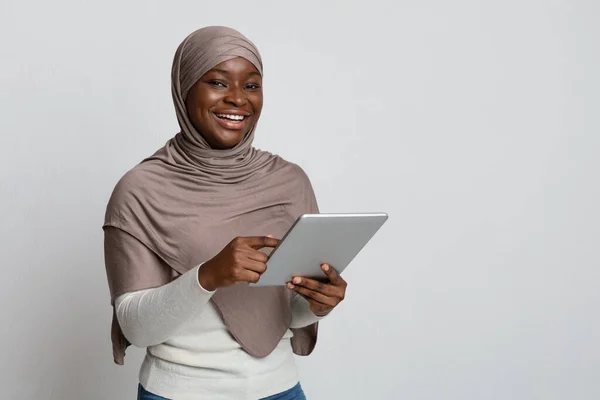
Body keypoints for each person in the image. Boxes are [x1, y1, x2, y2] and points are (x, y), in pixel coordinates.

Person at [103, 26, 348, 400]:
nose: (237, 99)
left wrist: (317, 304)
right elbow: (136, 328)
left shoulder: (290, 182)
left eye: (251, 85)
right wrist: (208, 275)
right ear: (185, 89)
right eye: (218, 83)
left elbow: (286, 312)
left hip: (281, 390)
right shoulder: (141, 190)